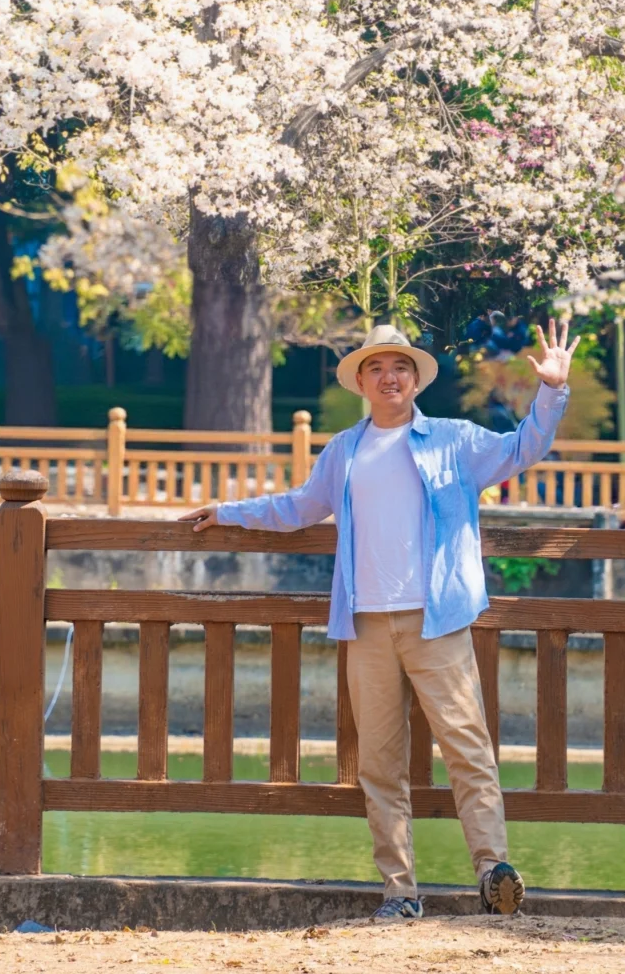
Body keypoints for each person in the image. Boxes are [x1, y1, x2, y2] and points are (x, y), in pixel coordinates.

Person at [181, 318, 578, 924]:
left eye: (400, 367)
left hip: (437, 619)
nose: (389, 377)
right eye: (376, 368)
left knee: (467, 748)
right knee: (379, 765)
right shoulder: (344, 450)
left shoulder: (454, 440)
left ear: (416, 379)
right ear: (361, 381)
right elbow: (299, 506)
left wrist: (550, 389)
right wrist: (231, 512)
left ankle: (493, 871)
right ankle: (399, 891)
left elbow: (524, 447)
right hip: (366, 622)